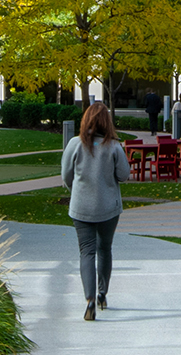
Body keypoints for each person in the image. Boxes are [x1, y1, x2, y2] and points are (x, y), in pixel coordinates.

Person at [60, 102, 130, 321]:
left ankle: (89, 299)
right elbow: (124, 175)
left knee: (86, 252)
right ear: (107, 122)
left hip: (81, 208)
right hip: (109, 208)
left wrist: (77, 190)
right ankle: (102, 293)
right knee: (105, 249)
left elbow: (66, 176)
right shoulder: (114, 146)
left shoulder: (75, 144)